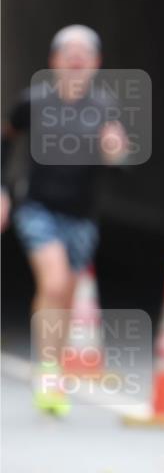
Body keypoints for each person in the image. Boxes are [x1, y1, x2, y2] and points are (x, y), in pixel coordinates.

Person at [1, 24, 128, 414]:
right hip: (38, 208)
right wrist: (2, 190)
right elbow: (6, 139)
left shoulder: (105, 107)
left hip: (82, 218)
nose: (75, 60)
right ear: (54, 61)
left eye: (84, 54)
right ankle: (46, 371)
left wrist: (116, 152)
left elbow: (121, 165)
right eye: (68, 53)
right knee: (53, 282)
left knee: (66, 299)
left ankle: (52, 370)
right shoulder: (33, 102)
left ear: (96, 63)